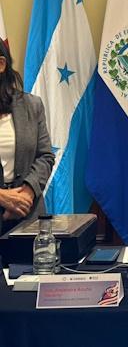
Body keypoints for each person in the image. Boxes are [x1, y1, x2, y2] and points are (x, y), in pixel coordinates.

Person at [0, 39, 55, 235]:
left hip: (27, 214)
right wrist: (3, 198)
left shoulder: (31, 106)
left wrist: (26, 194)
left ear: (1, 64)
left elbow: (45, 157)